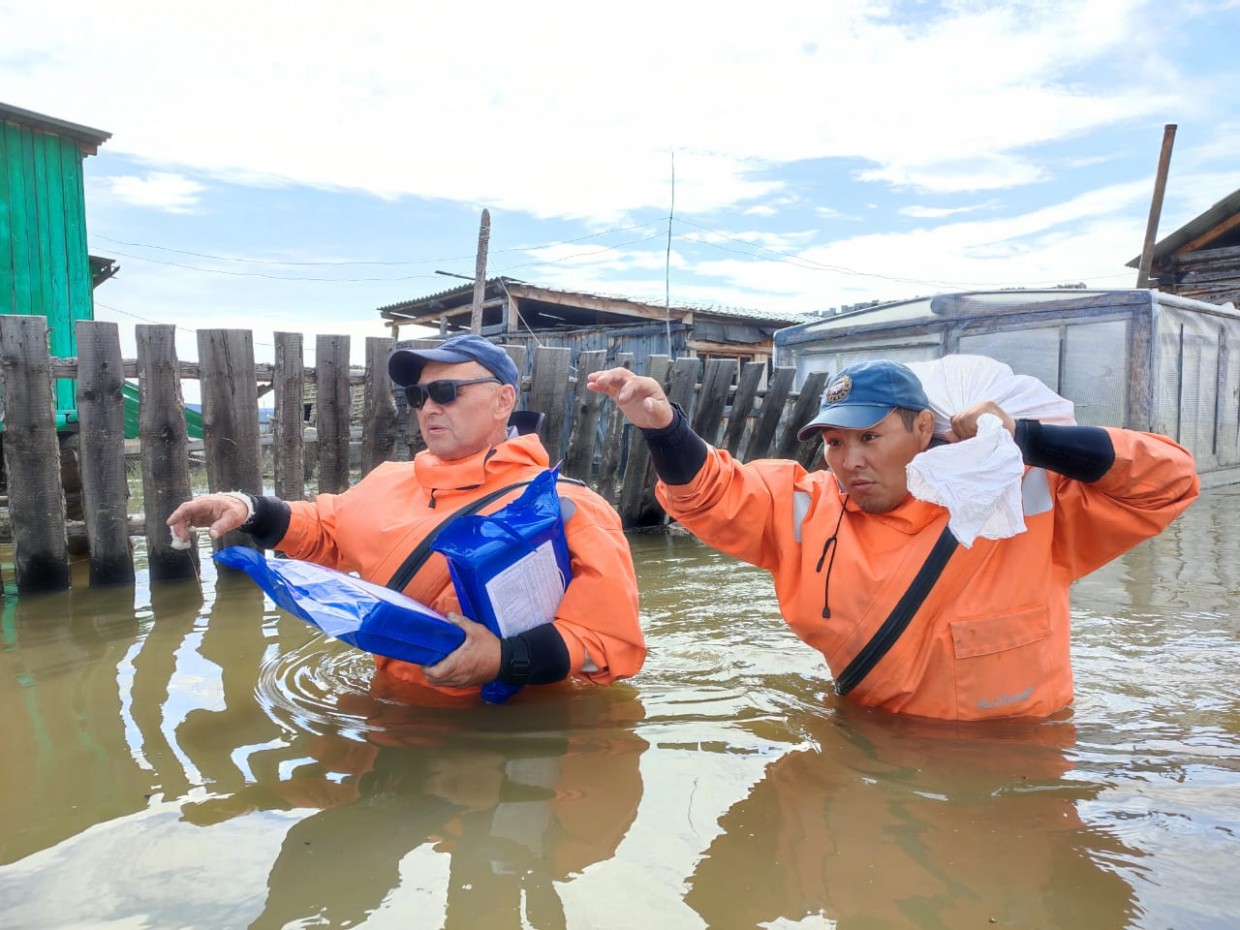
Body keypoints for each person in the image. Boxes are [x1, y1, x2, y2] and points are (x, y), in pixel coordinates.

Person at [587, 357, 1199, 721]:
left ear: (924, 427)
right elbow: (715, 493)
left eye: (869, 438)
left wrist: (1030, 439)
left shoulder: (1019, 498)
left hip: (1017, 761)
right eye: (834, 442)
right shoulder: (806, 506)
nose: (848, 460)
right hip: (869, 742)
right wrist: (663, 428)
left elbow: (1169, 481)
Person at [169, 334, 645, 698]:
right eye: (418, 396)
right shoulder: (389, 480)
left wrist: (504, 659)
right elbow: (324, 529)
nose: (429, 407)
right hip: (392, 708)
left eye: (446, 391)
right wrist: (249, 508)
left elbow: (610, 643)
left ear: (503, 401)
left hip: (511, 735)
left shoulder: (568, 506)